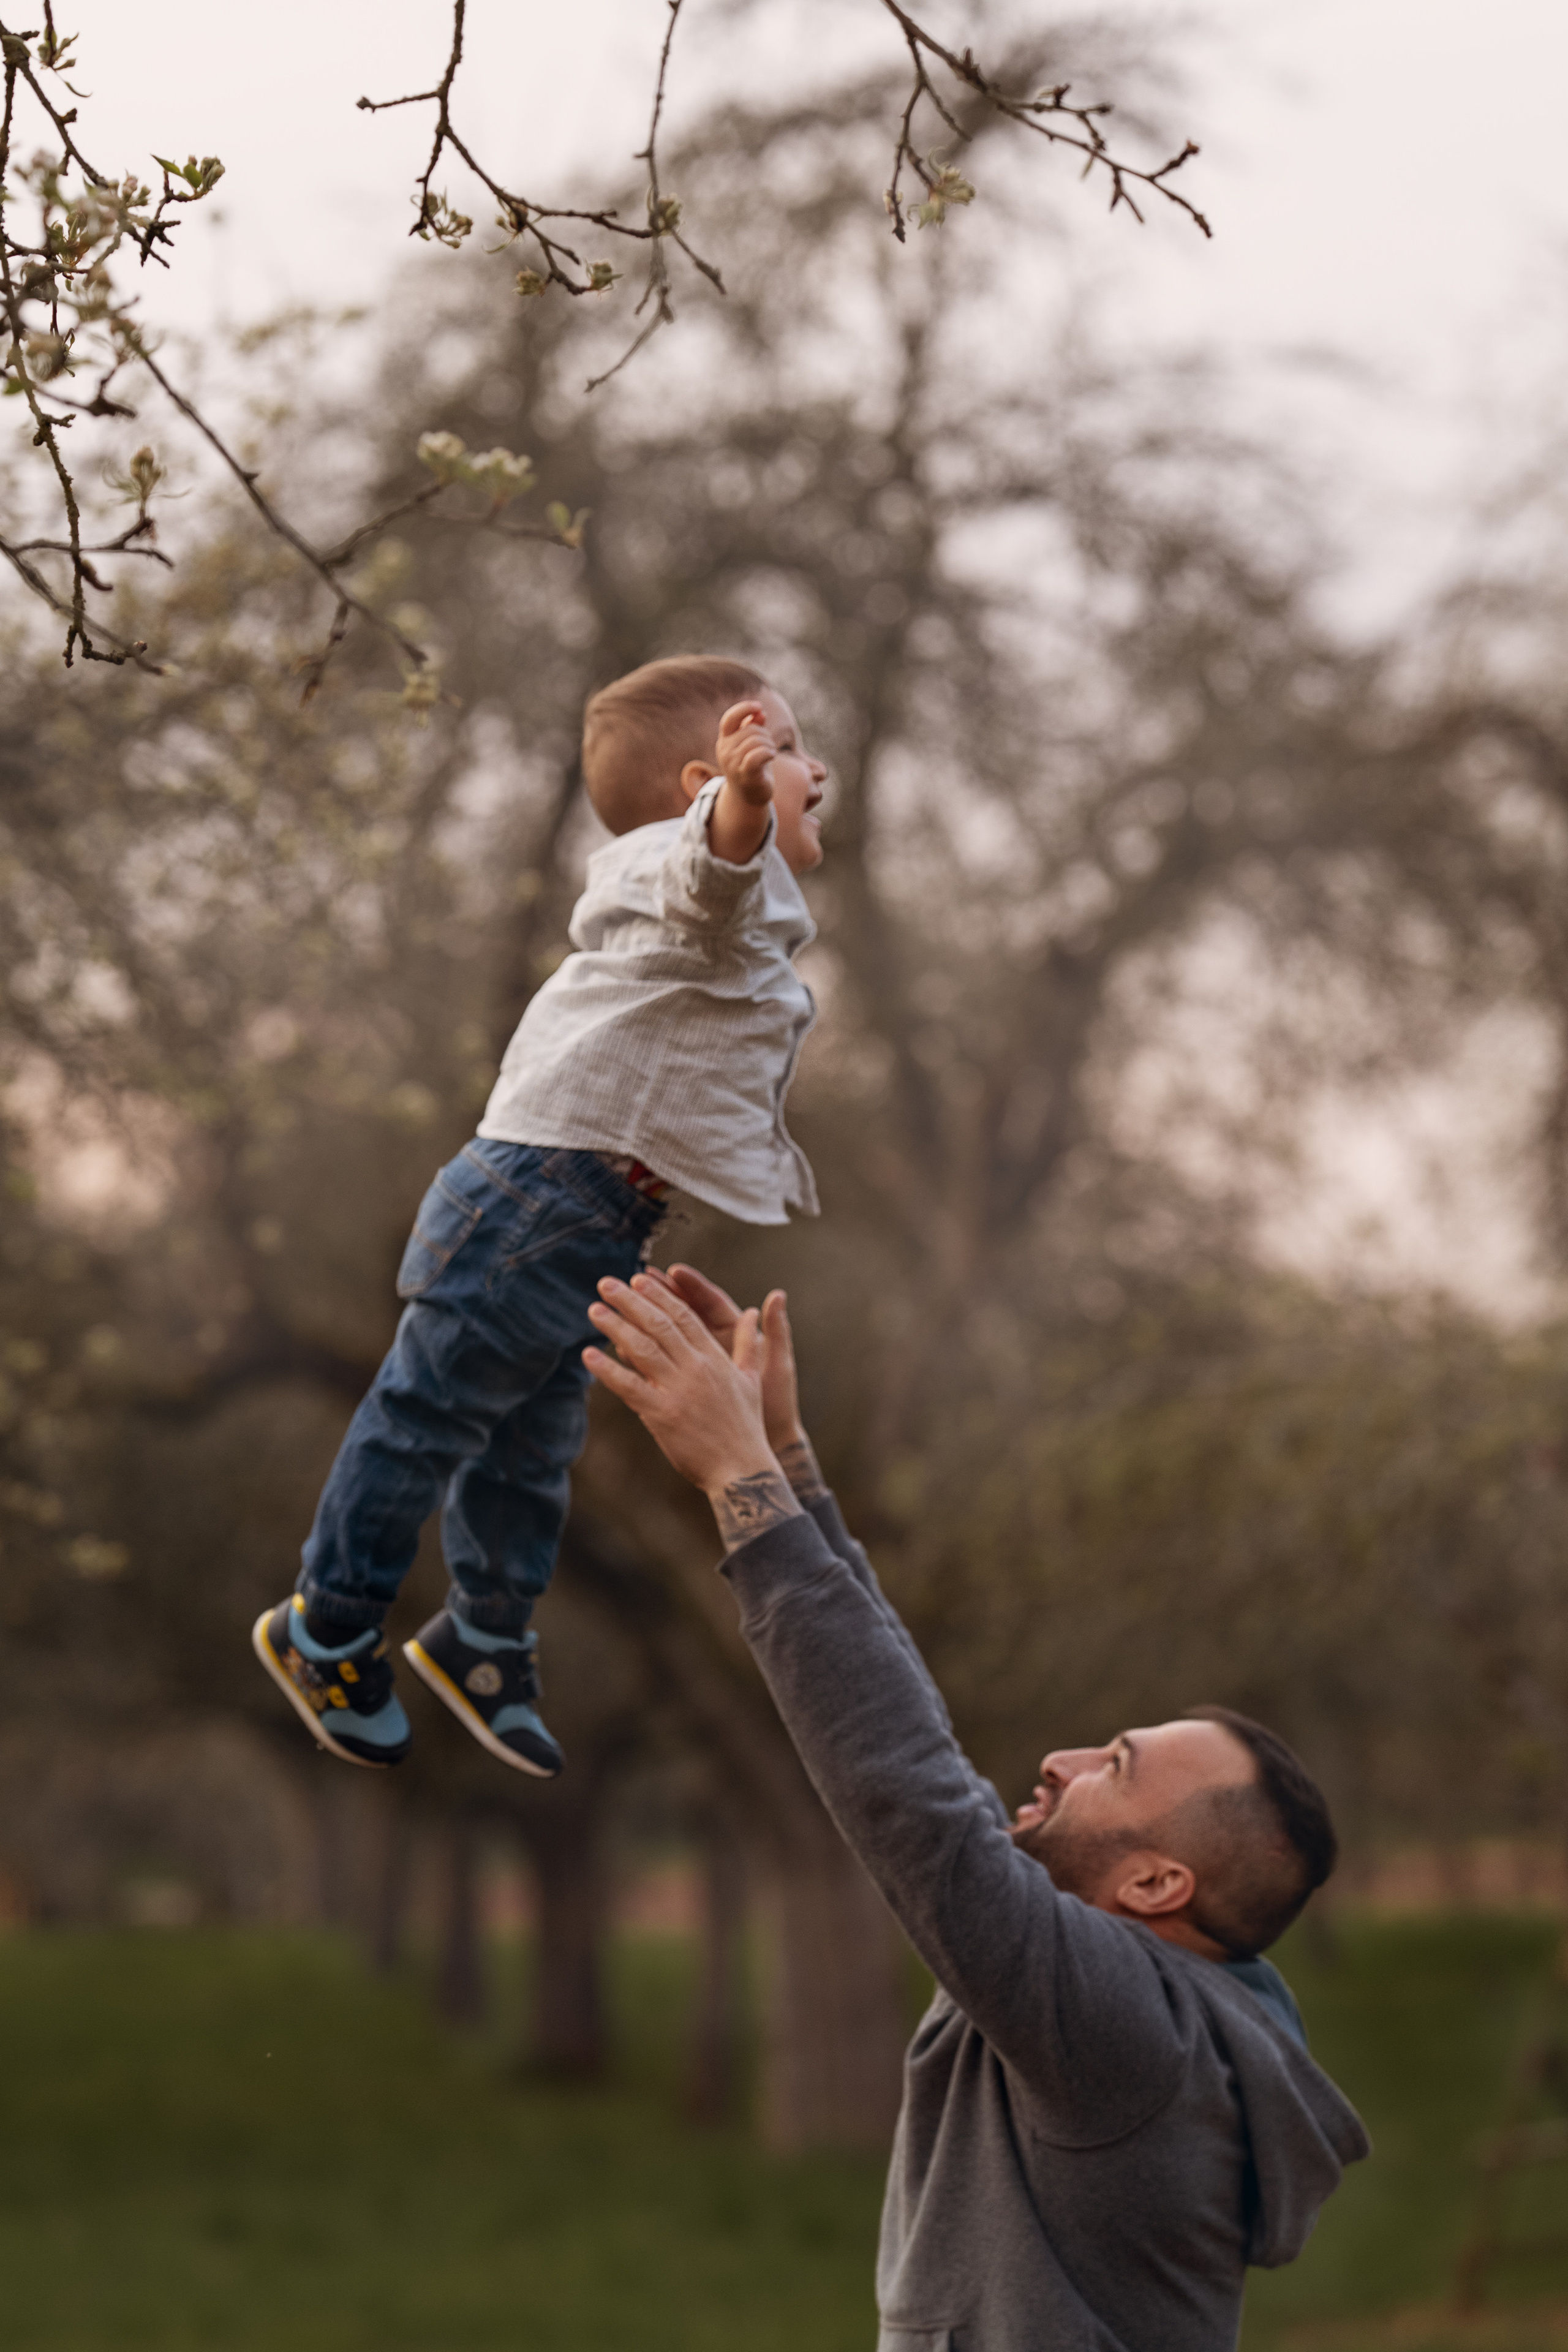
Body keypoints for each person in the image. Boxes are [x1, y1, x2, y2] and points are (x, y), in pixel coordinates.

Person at [582, 1266, 1371, 2352]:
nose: (1061, 1758)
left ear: (1156, 1883)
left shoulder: (1132, 2036)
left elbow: (913, 1790)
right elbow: (917, 1743)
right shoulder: (1159, 2015)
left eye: (1117, 1766)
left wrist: (738, 1479)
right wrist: (789, 1466)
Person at [253, 654, 828, 1777]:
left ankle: (485, 1637)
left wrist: (757, 796)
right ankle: (327, 1625)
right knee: (426, 1417)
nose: (820, 771)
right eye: (796, 750)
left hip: (587, 1220)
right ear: (709, 778)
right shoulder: (695, 873)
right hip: (539, 1202)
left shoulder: (708, 904)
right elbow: (714, 867)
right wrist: (751, 800)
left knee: (533, 1450)